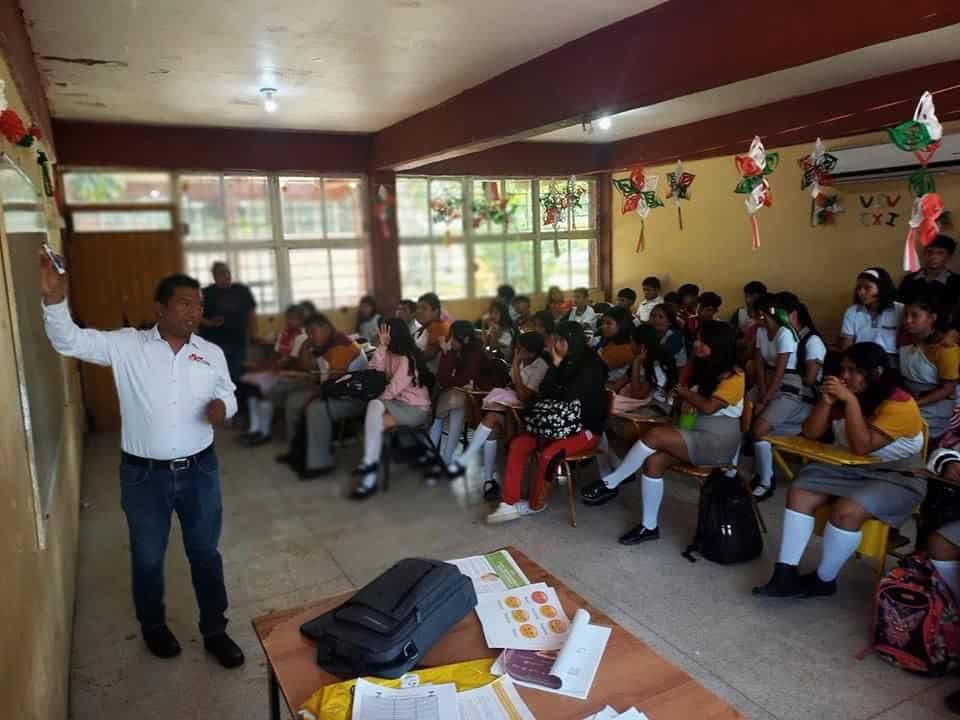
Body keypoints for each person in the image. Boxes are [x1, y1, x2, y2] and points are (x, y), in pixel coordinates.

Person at [39, 259, 244, 667]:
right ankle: (153, 626)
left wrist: (226, 407)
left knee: (205, 553)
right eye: (184, 303)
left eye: (198, 305)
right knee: (148, 556)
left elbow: (229, 392)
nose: (194, 312)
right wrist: (54, 299)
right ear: (160, 310)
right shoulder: (127, 345)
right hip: (143, 476)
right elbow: (70, 342)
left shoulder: (211, 353)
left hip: (200, 471)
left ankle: (215, 631)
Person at [753, 342, 925, 598]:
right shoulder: (846, 394)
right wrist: (826, 401)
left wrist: (850, 401)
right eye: (843, 369)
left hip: (898, 476)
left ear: (875, 373)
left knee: (846, 512)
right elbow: (811, 433)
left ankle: (824, 580)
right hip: (849, 467)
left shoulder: (900, 403)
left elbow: (862, 446)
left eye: (854, 370)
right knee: (800, 490)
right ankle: (784, 573)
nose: (844, 376)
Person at [581, 323, 744, 545]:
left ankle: (611, 481)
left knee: (655, 435)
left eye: (702, 341)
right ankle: (649, 527)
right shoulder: (701, 367)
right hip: (694, 432)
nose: (696, 344)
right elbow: (681, 398)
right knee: (653, 462)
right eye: (696, 339)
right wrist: (681, 396)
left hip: (717, 441)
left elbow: (708, 407)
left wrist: (683, 391)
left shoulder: (735, 376)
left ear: (718, 345)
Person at [486, 322, 609, 523]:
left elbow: (568, 395)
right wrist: (556, 364)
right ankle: (508, 502)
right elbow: (545, 391)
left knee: (548, 455)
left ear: (572, 340)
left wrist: (558, 373)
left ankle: (536, 504)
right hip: (553, 425)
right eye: (555, 340)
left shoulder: (592, 365)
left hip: (584, 430)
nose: (555, 345)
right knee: (518, 444)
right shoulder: (561, 361)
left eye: (560, 340)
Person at [445, 332, 551, 498]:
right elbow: (510, 386)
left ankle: (468, 460)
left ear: (531, 352)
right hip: (508, 410)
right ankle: (488, 481)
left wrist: (515, 365)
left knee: (491, 420)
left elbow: (524, 396)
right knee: (491, 424)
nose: (517, 350)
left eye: (520, 348)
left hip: (525, 415)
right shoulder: (524, 360)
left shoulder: (541, 366)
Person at [750, 293, 826, 500]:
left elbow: (804, 379)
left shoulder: (805, 339)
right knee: (745, 413)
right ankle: (742, 471)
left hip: (795, 390)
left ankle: (766, 481)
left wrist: (766, 398)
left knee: (759, 428)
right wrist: (762, 391)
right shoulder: (764, 333)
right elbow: (760, 365)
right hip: (771, 381)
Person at [351, 319, 433, 500]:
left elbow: (393, 389)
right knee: (374, 415)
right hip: (396, 402)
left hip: (415, 408)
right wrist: (381, 347)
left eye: (383, 332)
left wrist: (375, 400)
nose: (379, 335)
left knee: (374, 420)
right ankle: (370, 467)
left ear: (393, 334)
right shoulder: (388, 351)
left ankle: (369, 475)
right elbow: (373, 372)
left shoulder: (407, 358)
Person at [278, 314, 368, 479]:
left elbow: (332, 383)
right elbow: (307, 367)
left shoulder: (342, 345)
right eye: (308, 333)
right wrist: (305, 344)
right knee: (293, 401)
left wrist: (314, 392)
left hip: (353, 398)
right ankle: (296, 452)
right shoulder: (325, 344)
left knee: (316, 410)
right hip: (335, 391)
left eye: (313, 332)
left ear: (326, 328)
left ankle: (320, 463)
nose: (311, 336)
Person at [426, 321, 499, 478]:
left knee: (454, 407)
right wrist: (447, 353)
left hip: (482, 399)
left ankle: (440, 459)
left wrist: (453, 378)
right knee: (454, 407)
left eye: (453, 337)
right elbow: (442, 378)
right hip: (465, 395)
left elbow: (462, 379)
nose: (450, 340)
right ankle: (441, 459)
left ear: (465, 339)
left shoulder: (475, 354)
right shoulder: (458, 350)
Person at [238, 304, 308, 444]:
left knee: (259, 388)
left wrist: (273, 366)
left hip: (291, 374)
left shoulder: (302, 336)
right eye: (288, 318)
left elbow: (292, 361)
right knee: (246, 380)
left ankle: (265, 432)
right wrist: (263, 366)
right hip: (278, 371)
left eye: (293, 319)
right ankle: (254, 428)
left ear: (301, 320)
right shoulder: (284, 334)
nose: (289, 321)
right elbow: (275, 355)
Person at [899, 296, 960, 439]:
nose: (908, 321)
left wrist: (916, 403)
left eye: (915, 316)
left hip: (936, 407)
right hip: (910, 400)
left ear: (932, 318)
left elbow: (947, 389)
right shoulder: (905, 341)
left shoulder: (945, 349)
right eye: (906, 315)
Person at [200, 261, 256, 387]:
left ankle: (239, 403)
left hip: (239, 340)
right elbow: (195, 315)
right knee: (219, 376)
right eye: (222, 273)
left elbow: (251, 314)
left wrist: (253, 334)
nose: (226, 275)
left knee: (239, 376)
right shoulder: (206, 293)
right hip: (215, 343)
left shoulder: (242, 290)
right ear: (214, 276)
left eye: (228, 272)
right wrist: (209, 323)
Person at [838, 267, 903, 361]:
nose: (861, 292)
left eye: (867, 287)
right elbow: (846, 347)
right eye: (859, 288)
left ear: (882, 288)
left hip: (891, 360)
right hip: (861, 360)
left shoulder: (900, 310)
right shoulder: (852, 311)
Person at [898, 234, 960, 308]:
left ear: (949, 256)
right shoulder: (909, 280)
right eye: (930, 252)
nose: (933, 257)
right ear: (924, 253)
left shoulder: (956, 282)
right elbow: (899, 308)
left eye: (940, 253)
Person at [597, 306, 635, 385]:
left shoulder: (625, 348)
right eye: (603, 322)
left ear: (622, 325)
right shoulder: (612, 340)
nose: (603, 326)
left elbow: (595, 368)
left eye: (608, 323)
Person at [415, 292, 450, 373]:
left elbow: (428, 355)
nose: (419, 311)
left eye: (424, 308)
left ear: (436, 311)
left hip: (431, 378)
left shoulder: (439, 327)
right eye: (418, 308)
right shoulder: (425, 327)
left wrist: (407, 358)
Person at [650, 303, 687, 369]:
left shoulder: (676, 336)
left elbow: (661, 356)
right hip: (660, 367)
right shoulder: (652, 331)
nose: (656, 319)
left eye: (661, 317)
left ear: (670, 321)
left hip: (676, 370)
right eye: (653, 315)